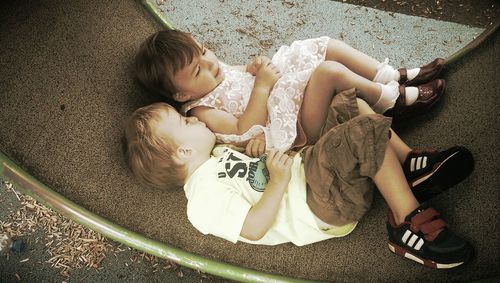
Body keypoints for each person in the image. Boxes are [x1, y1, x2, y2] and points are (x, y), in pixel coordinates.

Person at [124, 88, 474, 269]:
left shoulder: (216, 155)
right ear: (183, 153)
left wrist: (256, 151)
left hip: (310, 171)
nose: (194, 119)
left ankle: (409, 166)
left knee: (346, 102)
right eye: (186, 123)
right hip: (318, 203)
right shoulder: (200, 200)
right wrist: (276, 181)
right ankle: (405, 222)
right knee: (362, 131)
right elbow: (253, 228)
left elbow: (251, 176)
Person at [135, 29, 446, 152]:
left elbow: (241, 78)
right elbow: (243, 129)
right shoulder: (201, 111)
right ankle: (392, 101)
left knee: (322, 46)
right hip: (291, 131)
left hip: (284, 97)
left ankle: (391, 75)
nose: (210, 62)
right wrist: (262, 85)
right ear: (181, 95)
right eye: (197, 69)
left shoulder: (214, 75)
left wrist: (254, 67)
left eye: (204, 50)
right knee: (327, 72)